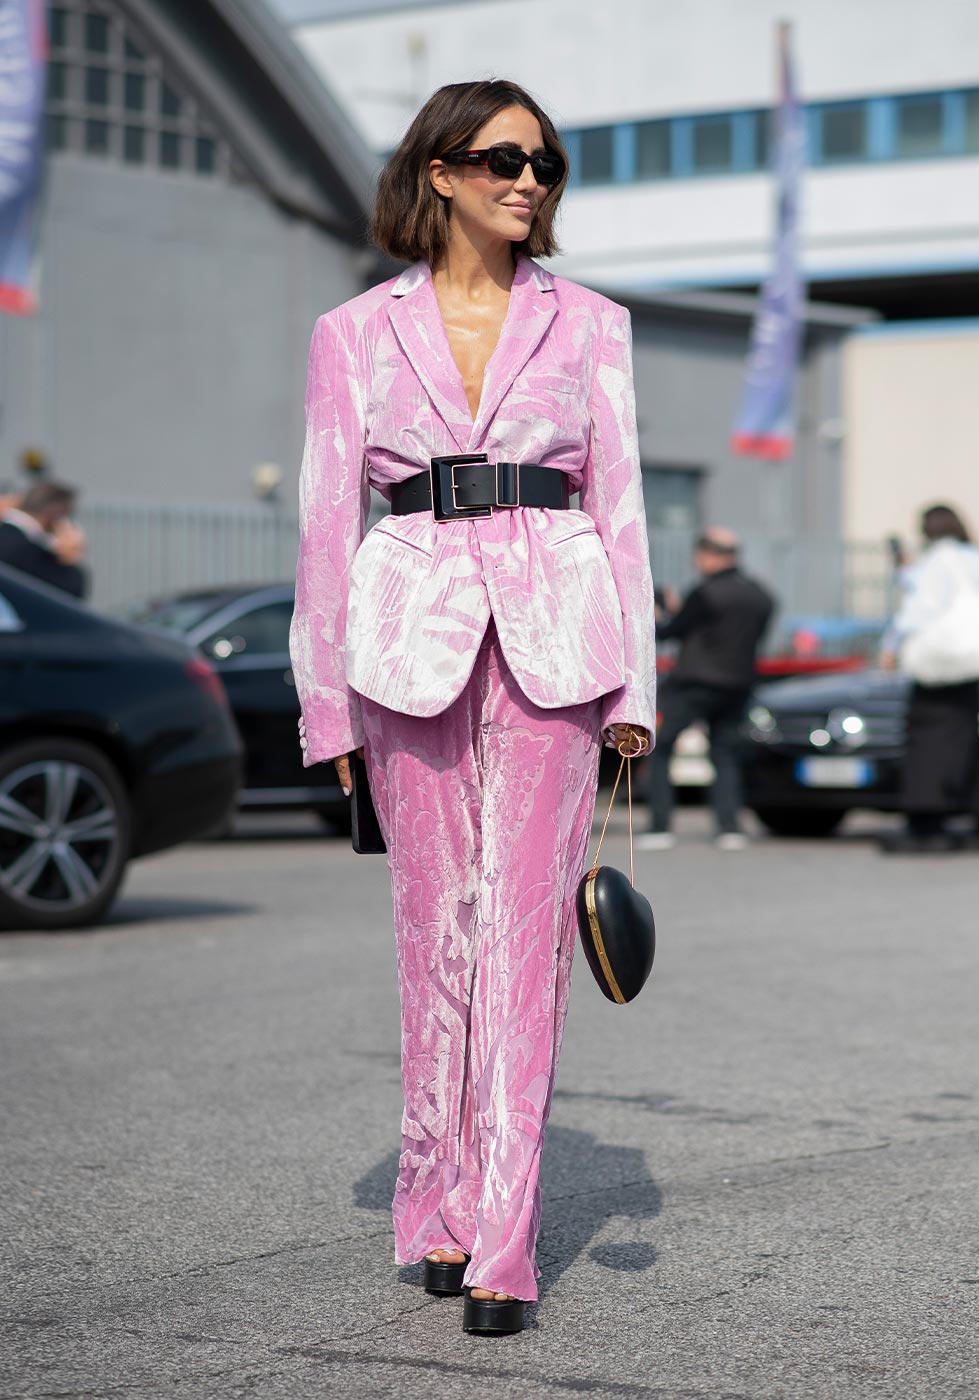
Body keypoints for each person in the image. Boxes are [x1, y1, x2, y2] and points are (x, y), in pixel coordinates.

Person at [288, 80, 655, 1335]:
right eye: (503, 158)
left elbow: (622, 508)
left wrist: (636, 687)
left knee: (522, 941)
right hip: (405, 644)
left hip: (558, 637)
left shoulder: (593, 324)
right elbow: (323, 524)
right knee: (432, 938)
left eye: (546, 163)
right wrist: (327, 711)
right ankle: (436, 1208)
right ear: (439, 171)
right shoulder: (353, 331)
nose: (529, 181)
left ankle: (502, 1236)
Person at [640, 528, 774, 851]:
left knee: (661, 747)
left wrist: (660, 613)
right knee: (725, 754)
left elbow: (670, 632)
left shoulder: (705, 593)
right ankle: (729, 828)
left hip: (695, 682)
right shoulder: (760, 595)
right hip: (738, 684)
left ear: (707, 556)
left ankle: (660, 827)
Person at [879, 503, 979, 853]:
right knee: (972, 740)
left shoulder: (935, 562)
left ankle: (926, 822)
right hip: (973, 665)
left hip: (936, 670)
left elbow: (918, 609)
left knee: (927, 744)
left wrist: (890, 646)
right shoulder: (978, 560)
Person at [0, 482, 89, 598]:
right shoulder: (33, 552)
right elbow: (70, 594)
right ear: (56, 514)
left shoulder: (9, 537)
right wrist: (71, 558)